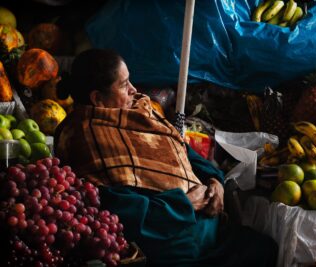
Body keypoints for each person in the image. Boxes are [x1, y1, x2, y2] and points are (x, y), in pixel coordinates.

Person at [54, 48, 278, 267]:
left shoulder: (141, 112)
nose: (134, 89)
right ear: (97, 99)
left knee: (264, 248)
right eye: (124, 85)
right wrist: (185, 204)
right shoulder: (81, 139)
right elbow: (117, 211)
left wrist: (215, 182)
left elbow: (182, 151)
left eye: (130, 81)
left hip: (213, 233)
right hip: (172, 250)